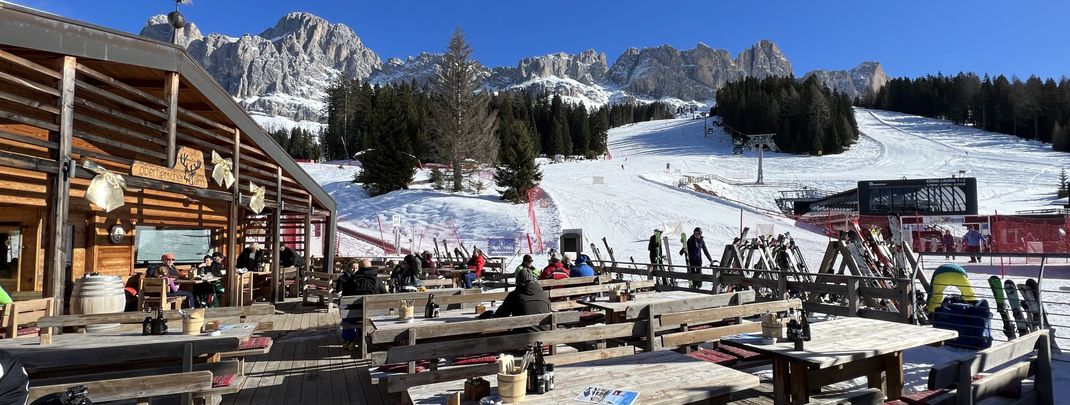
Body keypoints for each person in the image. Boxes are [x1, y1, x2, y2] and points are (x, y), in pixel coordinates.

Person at [485, 271, 551, 328]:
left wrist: (489, 315)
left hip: (522, 335)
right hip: (545, 333)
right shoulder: (543, 294)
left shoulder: (514, 295)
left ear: (518, 281)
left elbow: (500, 316)